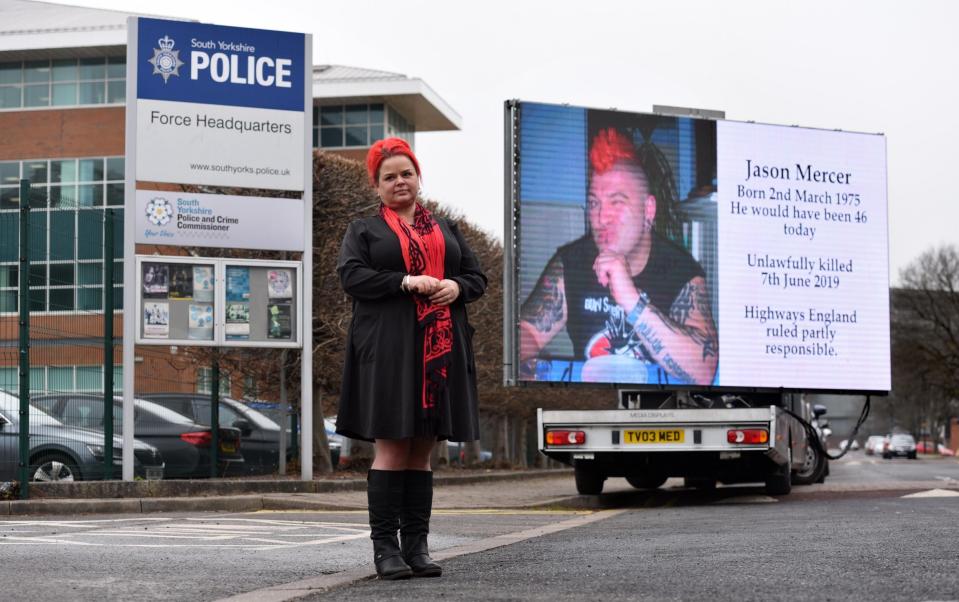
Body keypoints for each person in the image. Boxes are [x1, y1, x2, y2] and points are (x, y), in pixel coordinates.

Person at [336, 137, 487, 580]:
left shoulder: (448, 228)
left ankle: (416, 547)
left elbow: (476, 277)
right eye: (389, 176)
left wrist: (456, 287)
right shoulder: (362, 231)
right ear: (377, 186)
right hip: (390, 351)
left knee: (423, 452)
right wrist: (405, 281)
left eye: (406, 173)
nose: (400, 181)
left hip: (440, 352)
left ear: (418, 178)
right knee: (392, 447)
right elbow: (352, 276)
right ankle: (385, 549)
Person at [519, 127, 718, 385]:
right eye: (594, 203)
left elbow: (704, 371)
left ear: (648, 210)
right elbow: (525, 333)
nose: (601, 218)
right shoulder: (572, 262)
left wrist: (631, 300)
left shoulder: (680, 270)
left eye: (617, 202)